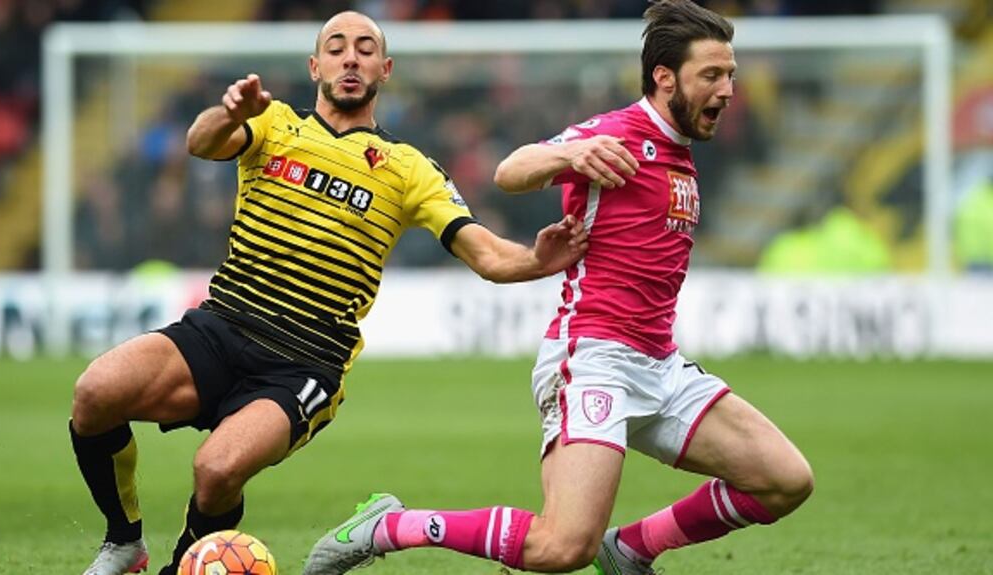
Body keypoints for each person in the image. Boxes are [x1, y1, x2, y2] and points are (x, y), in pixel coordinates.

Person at [69, 11, 589, 575]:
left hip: (303, 363)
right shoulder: (272, 125)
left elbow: (486, 254)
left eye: (366, 49)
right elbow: (200, 143)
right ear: (315, 66)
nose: (351, 57)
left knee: (216, 470)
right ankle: (124, 542)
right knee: (95, 393)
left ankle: (184, 567)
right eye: (337, 47)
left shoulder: (409, 168)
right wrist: (229, 112)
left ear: (384, 70)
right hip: (222, 326)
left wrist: (540, 260)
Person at [305, 2, 814, 574]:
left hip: (660, 365)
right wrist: (570, 153)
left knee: (785, 480)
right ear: (664, 78)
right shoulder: (617, 132)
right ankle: (389, 526)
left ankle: (630, 550)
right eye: (712, 76)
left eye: (730, 76)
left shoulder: (680, 155)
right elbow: (511, 170)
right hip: (594, 359)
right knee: (561, 547)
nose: (726, 91)